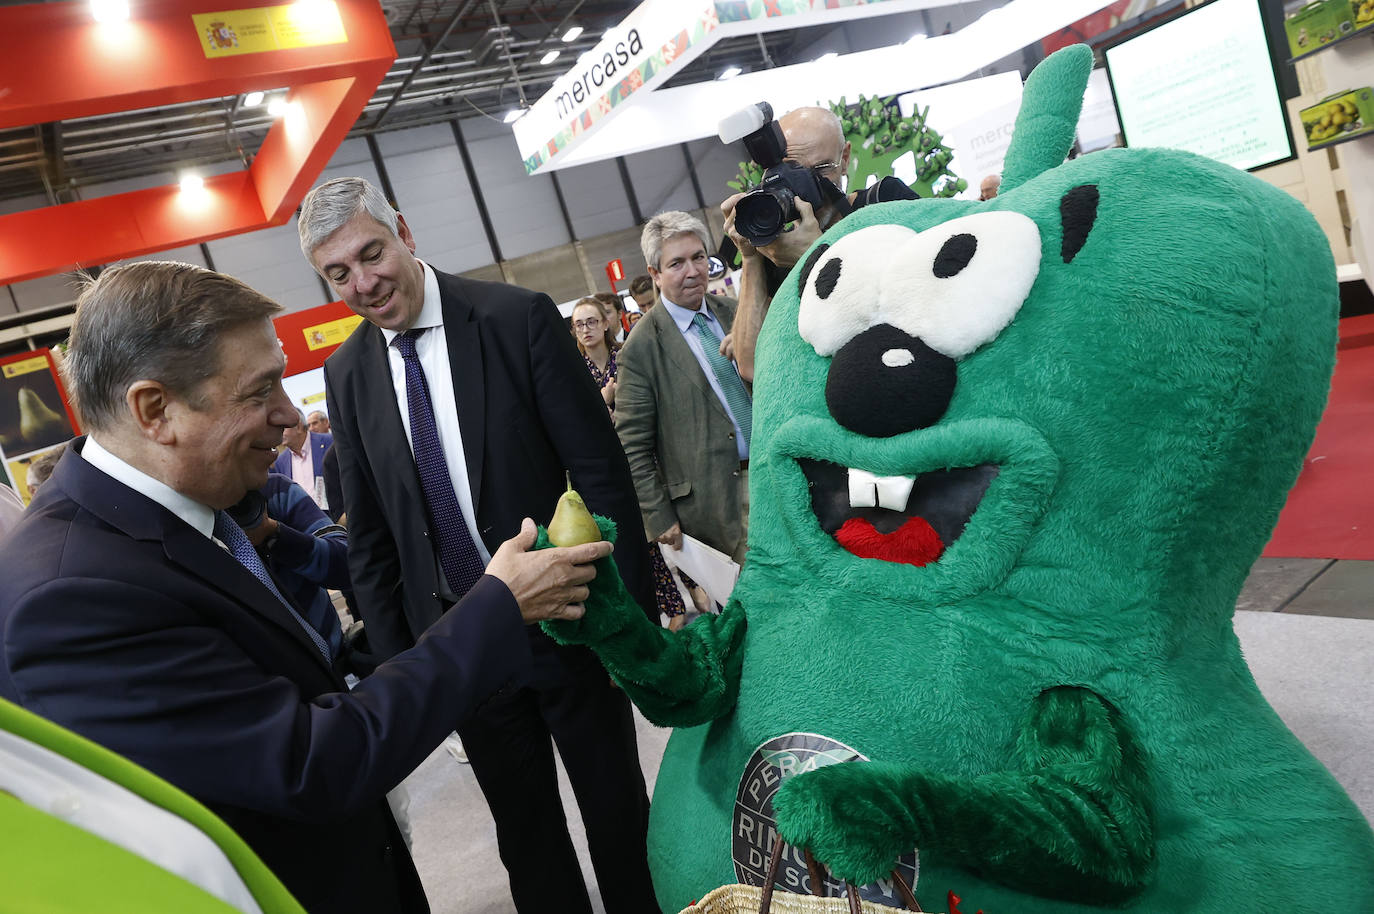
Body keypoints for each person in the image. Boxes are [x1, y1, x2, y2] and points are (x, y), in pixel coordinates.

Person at [0, 260, 612, 914]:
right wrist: (498, 605)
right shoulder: (71, 599)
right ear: (155, 410)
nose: (289, 414)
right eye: (260, 390)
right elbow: (309, 762)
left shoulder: (177, 519)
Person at [299, 177, 659, 914]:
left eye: (371, 254)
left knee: (618, 814)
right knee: (525, 838)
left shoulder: (514, 318)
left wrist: (631, 623)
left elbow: (600, 472)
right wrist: (406, 669)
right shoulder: (347, 372)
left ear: (404, 231)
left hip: (569, 617)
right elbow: (370, 536)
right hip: (463, 642)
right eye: (338, 273)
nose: (363, 283)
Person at [721, 105, 915, 383]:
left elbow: (932, 301)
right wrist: (751, 257)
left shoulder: (886, 202)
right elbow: (751, 367)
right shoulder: (774, 247)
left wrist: (816, 255)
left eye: (821, 170)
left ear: (844, 158)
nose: (807, 189)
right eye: (792, 172)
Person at [616, 211, 751, 566]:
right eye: (676, 263)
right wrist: (658, 515)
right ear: (655, 274)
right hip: (716, 503)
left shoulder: (737, 313)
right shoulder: (641, 348)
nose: (692, 271)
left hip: (775, 475)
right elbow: (633, 446)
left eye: (698, 257)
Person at [271, 411, 332, 510]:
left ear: (298, 427)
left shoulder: (330, 442)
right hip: (304, 518)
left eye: (282, 429)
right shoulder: (280, 462)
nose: (278, 434)